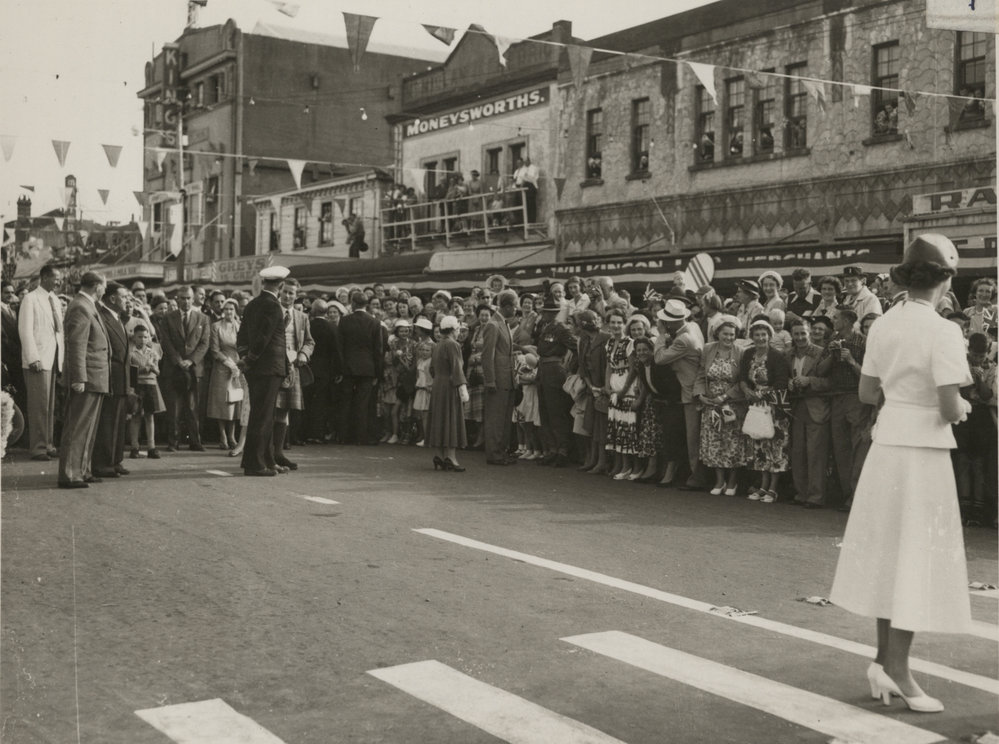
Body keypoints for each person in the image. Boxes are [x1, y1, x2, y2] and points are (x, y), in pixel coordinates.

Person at [830, 234, 972, 713]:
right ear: (946, 280)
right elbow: (951, 407)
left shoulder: (885, 324)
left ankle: (881, 661)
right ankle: (898, 670)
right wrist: (963, 405)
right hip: (923, 452)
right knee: (913, 561)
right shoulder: (944, 330)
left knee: (891, 556)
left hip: (887, 447)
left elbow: (869, 393)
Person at [817, 305, 872, 510]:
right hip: (836, 398)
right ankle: (848, 495)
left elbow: (869, 375)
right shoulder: (832, 341)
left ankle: (857, 497)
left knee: (859, 448)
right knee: (841, 449)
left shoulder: (864, 342)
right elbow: (820, 371)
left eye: (837, 318)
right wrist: (832, 356)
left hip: (856, 397)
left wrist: (850, 360)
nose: (833, 321)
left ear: (847, 321)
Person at [57, 272, 109, 488]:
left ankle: (82, 470)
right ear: (97, 286)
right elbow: (77, 345)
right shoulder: (81, 306)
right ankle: (70, 473)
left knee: (87, 428)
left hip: (94, 376)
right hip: (87, 377)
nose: (104, 291)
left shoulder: (86, 305)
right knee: (78, 426)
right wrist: (78, 378)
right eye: (104, 287)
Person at [236, 266, 289, 476]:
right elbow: (264, 338)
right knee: (263, 416)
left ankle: (267, 460)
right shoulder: (274, 306)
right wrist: (250, 359)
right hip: (268, 368)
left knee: (263, 415)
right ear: (281, 286)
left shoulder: (252, 304)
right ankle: (255, 464)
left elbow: (242, 336)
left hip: (256, 368)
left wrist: (244, 357)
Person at [654, 298, 707, 489]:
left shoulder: (683, 339)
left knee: (693, 437)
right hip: (692, 388)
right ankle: (694, 475)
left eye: (667, 320)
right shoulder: (692, 327)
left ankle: (697, 478)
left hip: (690, 392)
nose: (664, 323)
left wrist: (661, 336)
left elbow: (660, 358)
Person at [739, 319, 791, 503]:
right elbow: (742, 378)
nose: (761, 338)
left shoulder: (777, 356)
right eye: (757, 335)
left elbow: (781, 382)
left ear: (769, 336)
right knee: (759, 444)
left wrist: (764, 394)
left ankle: (773, 489)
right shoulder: (747, 354)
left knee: (775, 446)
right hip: (755, 404)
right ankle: (762, 486)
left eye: (764, 335)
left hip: (774, 406)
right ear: (752, 336)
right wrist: (747, 391)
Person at [694, 318, 747, 496]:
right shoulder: (708, 349)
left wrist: (725, 397)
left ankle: (732, 482)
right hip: (711, 405)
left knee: (732, 443)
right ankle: (719, 481)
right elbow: (701, 374)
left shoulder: (741, 352)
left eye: (732, 334)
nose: (729, 337)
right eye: (725, 334)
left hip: (731, 405)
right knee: (715, 443)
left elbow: (742, 381)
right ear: (718, 333)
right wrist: (700, 395)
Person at [18, 264, 64, 461]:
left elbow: (58, 331)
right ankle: (38, 447)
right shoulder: (30, 299)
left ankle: (48, 443)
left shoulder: (54, 299)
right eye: (55, 277)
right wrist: (33, 357)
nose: (59, 281)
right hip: (37, 359)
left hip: (53, 358)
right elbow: (25, 331)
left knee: (49, 406)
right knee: (38, 406)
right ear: (44, 277)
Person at [785, 319, 831, 508]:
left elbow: (830, 382)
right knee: (798, 452)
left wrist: (809, 381)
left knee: (815, 453)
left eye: (803, 333)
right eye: (796, 334)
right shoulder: (787, 354)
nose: (800, 337)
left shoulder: (821, 353)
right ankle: (801, 493)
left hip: (816, 408)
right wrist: (788, 383)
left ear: (810, 333)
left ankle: (816, 496)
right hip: (796, 409)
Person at [159, 285, 211, 451]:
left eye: (188, 298)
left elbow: (204, 343)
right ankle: (173, 442)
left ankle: (195, 441)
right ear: (177, 299)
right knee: (174, 408)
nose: (186, 301)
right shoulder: (168, 318)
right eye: (182, 298)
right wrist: (178, 360)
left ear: (193, 298)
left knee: (193, 407)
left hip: (194, 369)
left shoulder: (202, 318)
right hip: (174, 368)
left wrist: (192, 361)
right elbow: (165, 341)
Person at [91, 282, 133, 479]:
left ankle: (115, 460)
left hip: (122, 377)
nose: (127, 300)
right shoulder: (103, 317)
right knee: (108, 422)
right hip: (110, 377)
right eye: (124, 297)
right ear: (113, 299)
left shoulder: (117, 318)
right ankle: (103, 463)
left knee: (119, 422)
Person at [273, 278, 314, 468]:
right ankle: (267, 453)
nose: (288, 296)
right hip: (273, 368)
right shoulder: (272, 312)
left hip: (292, 368)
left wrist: (304, 354)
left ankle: (278, 453)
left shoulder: (301, 317)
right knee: (270, 411)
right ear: (279, 292)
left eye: (292, 293)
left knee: (284, 411)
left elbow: (309, 341)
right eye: (285, 292)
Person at [534, 294, 576, 466]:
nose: (544, 314)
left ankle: (562, 451)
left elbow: (576, 347)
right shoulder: (544, 327)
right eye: (544, 311)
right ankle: (552, 449)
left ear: (555, 313)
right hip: (543, 371)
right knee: (545, 412)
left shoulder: (561, 329)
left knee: (556, 412)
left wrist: (571, 369)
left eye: (548, 312)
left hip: (554, 370)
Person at [337, 291, 384, 445]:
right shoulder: (375, 322)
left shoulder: (344, 321)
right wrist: (378, 372)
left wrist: (341, 368)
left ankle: (343, 436)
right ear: (366, 304)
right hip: (368, 368)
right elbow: (378, 350)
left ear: (353, 303)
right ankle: (360, 436)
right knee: (363, 404)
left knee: (345, 402)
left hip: (348, 367)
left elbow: (340, 347)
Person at [427, 315, 469, 471]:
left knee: (439, 419)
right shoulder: (453, 345)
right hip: (450, 385)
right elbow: (457, 368)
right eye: (458, 329)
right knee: (451, 419)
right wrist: (462, 388)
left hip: (438, 384)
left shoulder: (438, 344)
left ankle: (438, 455)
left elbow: (431, 369)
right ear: (453, 330)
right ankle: (450, 457)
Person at [481, 290, 518, 465]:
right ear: (507, 306)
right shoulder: (493, 324)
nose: (516, 309)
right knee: (496, 419)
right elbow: (487, 355)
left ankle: (501, 452)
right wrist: (490, 380)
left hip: (507, 377)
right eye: (514, 306)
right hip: (498, 378)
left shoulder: (503, 323)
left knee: (504, 418)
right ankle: (494, 453)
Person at [207, 299, 242, 452]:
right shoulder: (216, 327)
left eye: (231, 309)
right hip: (222, 366)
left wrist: (239, 364)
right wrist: (227, 362)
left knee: (234, 401)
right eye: (226, 309)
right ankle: (222, 436)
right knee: (222, 402)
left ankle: (232, 435)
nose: (229, 312)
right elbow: (214, 350)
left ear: (235, 311)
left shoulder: (240, 326)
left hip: (237, 367)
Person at [128, 324, 165, 459]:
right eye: (139, 337)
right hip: (138, 386)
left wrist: (152, 368)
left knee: (150, 416)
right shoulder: (131, 353)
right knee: (136, 416)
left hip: (151, 385)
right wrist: (143, 369)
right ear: (134, 338)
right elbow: (131, 373)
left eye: (145, 337)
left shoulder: (152, 352)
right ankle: (134, 446)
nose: (143, 339)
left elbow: (158, 371)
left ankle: (151, 447)